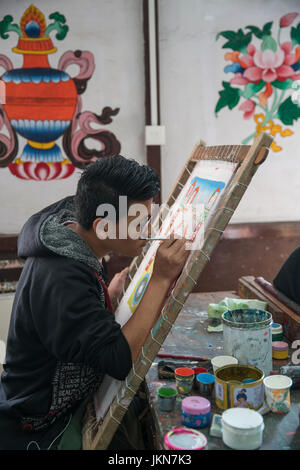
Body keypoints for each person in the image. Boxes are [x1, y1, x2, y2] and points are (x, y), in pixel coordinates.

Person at [0, 155, 190, 450]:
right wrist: (160, 280)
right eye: (139, 222)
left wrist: (107, 295)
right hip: (41, 421)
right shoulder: (62, 276)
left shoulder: (70, 219)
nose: (149, 229)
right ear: (102, 225)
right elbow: (119, 361)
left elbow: (80, 321)